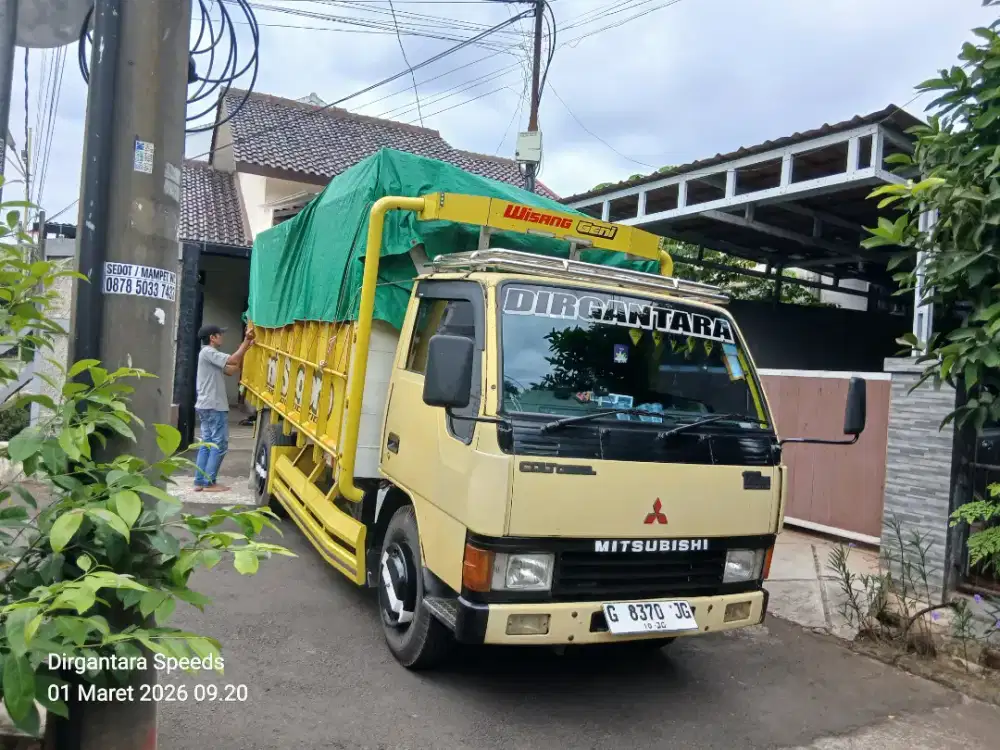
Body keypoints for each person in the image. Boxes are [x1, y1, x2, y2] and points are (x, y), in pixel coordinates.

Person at [194, 324, 254, 492]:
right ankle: (209, 482)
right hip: (214, 406)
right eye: (220, 334)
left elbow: (231, 370)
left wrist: (246, 350)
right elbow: (233, 361)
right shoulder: (208, 352)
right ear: (212, 338)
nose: (222, 337)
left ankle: (200, 481)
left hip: (206, 405)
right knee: (219, 444)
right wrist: (246, 341)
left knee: (207, 443)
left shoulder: (207, 355)